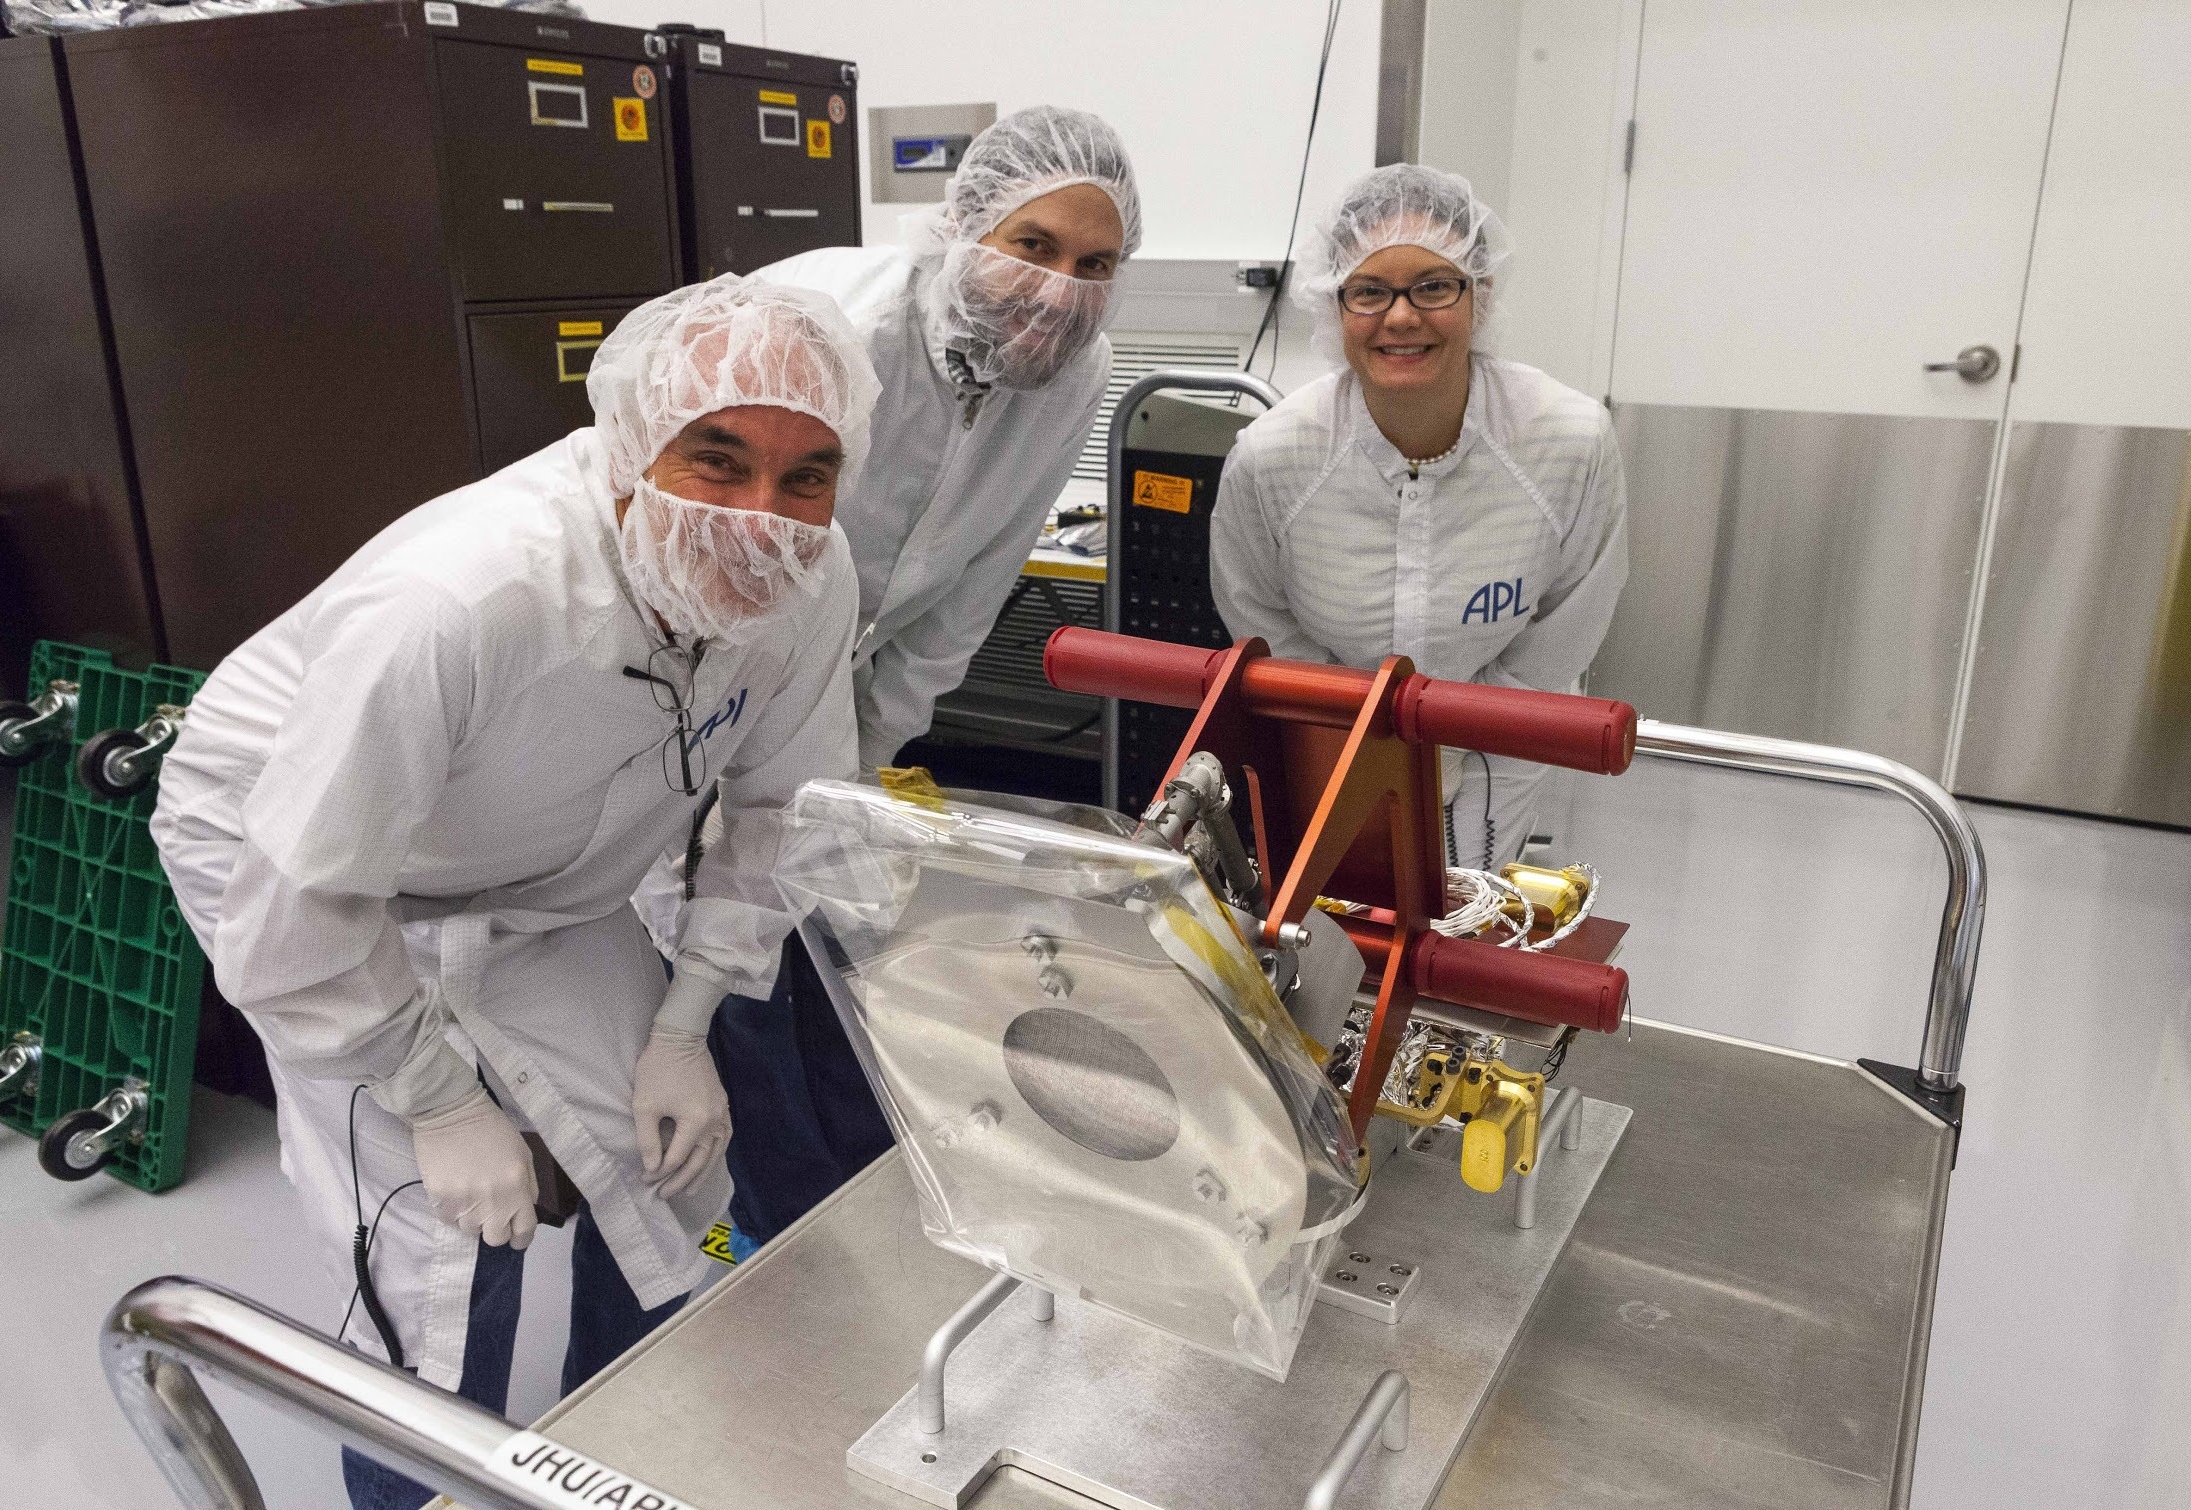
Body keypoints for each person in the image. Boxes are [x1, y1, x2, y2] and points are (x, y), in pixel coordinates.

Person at [149, 276, 877, 1510]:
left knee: (672, 1166)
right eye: (717, 459)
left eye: (806, 475)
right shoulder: (459, 598)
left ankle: (616, 1453)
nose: (763, 518)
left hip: (546, 882)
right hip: (307, 871)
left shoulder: (806, 577)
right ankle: (418, 1481)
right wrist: (439, 1099)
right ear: (627, 448)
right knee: (445, 1248)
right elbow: (300, 903)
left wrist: (688, 1020)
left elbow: (779, 813)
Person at [639, 105, 1143, 1250]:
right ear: (962, 222)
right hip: (700, 680)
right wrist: (721, 782)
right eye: (1034, 246)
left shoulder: (1076, 373)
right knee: (721, 988)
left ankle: (856, 1223)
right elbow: (707, 553)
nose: (1061, 290)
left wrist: (853, 773)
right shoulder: (827, 330)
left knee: (839, 970)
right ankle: (770, 1255)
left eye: (1095, 264)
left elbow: (967, 594)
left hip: (841, 696)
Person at [1209, 164, 1629, 867]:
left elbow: (1569, 622)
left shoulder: (1567, 441)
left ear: (1479, 293)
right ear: (1334, 305)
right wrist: (1366, 726)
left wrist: (1459, 728)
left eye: (1433, 287)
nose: (1401, 317)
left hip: (1503, 745)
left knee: (1473, 918)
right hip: (1332, 737)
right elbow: (1260, 615)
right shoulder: (1273, 458)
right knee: (1341, 918)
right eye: (1369, 291)